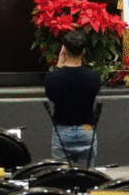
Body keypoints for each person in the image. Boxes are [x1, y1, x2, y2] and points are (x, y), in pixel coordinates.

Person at [45, 30, 100, 166]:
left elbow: (52, 96)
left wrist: (59, 66)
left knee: (63, 177)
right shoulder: (94, 76)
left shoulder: (52, 77)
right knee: (86, 178)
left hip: (62, 131)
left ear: (63, 50)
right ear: (84, 52)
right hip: (86, 130)